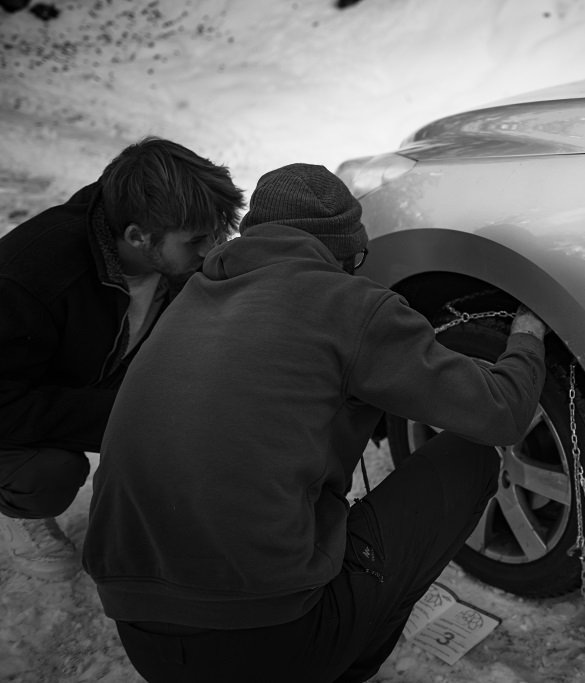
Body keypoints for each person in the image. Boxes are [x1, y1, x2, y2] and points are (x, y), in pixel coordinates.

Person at [82, 163, 548, 682]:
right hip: (270, 640)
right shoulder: (348, 303)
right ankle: (341, 663)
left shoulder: (193, 296)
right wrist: (527, 338)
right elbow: (503, 412)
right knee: (470, 459)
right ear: (344, 252)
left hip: (141, 636)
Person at [0, 136, 244, 582]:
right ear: (136, 236)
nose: (210, 249)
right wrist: (127, 415)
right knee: (50, 473)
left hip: (92, 369)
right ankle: (19, 509)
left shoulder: (162, 239)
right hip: (14, 400)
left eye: (217, 233)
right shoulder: (30, 276)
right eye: (196, 240)